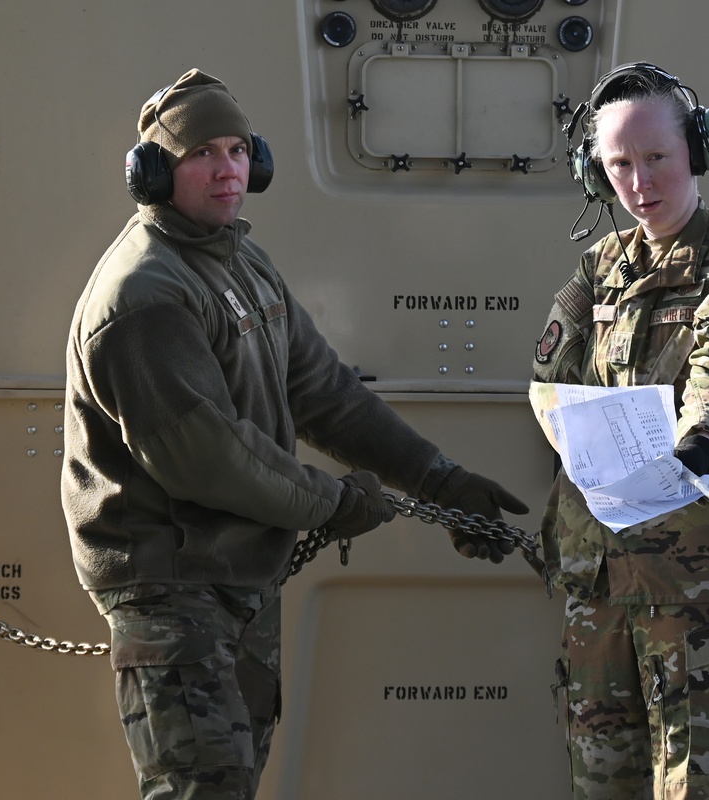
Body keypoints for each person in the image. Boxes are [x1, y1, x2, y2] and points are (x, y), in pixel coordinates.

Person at [61, 67, 528, 800]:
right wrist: (333, 503)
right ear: (154, 173)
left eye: (238, 149)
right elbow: (208, 460)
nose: (227, 170)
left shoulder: (240, 262)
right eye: (201, 154)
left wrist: (440, 480)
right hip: (174, 589)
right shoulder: (145, 295)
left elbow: (327, 396)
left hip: (238, 582)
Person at [532, 63, 709, 800]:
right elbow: (549, 382)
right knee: (600, 782)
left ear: (698, 153)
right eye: (618, 164)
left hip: (697, 584)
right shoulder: (598, 270)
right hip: (601, 582)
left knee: (702, 786)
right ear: (595, 172)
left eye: (656, 158)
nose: (639, 180)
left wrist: (699, 444)